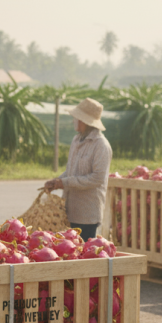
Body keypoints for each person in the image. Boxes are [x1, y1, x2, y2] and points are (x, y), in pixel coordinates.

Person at [44, 98, 112, 240]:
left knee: (84, 254)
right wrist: (57, 181)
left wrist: (65, 183)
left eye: (77, 118)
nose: (75, 121)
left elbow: (97, 179)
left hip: (87, 214)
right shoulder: (76, 140)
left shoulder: (101, 146)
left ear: (85, 121)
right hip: (69, 210)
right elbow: (71, 171)